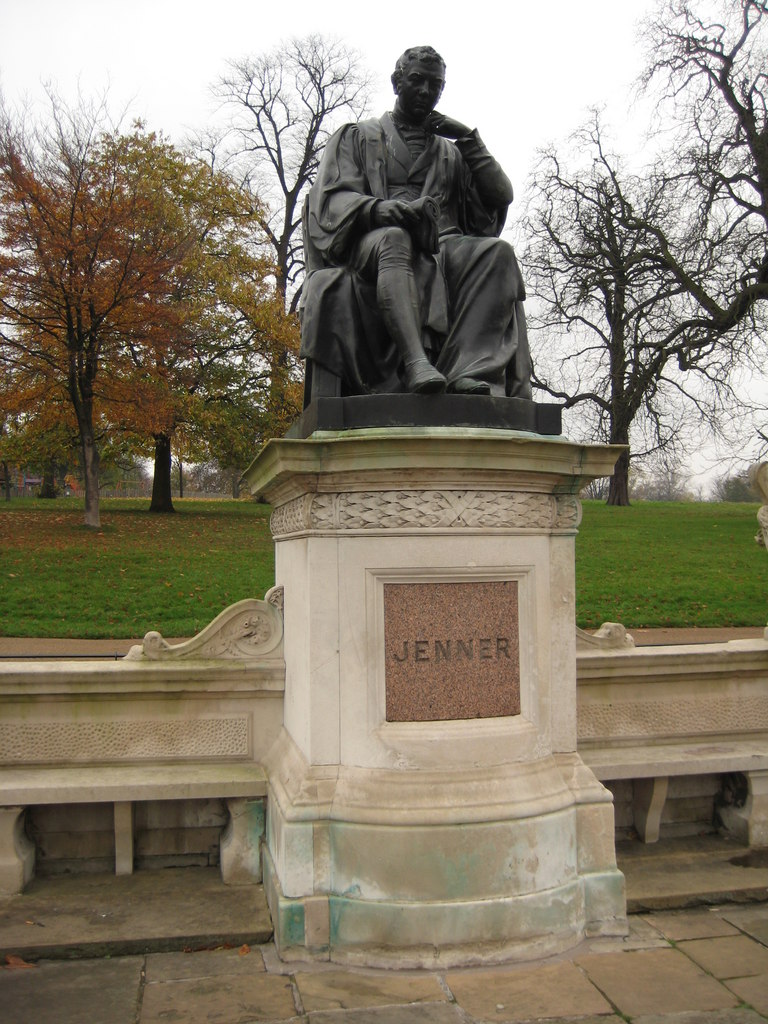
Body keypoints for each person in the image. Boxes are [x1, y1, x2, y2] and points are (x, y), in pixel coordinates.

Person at [300, 45, 531, 399]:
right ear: (397, 82)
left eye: (435, 85)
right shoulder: (357, 137)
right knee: (395, 238)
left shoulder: (452, 152)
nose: (426, 91)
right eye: (417, 80)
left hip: (441, 244)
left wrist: (469, 139)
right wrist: (378, 209)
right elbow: (330, 199)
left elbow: (501, 195)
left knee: (497, 254)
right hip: (372, 241)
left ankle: (465, 370)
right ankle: (415, 363)